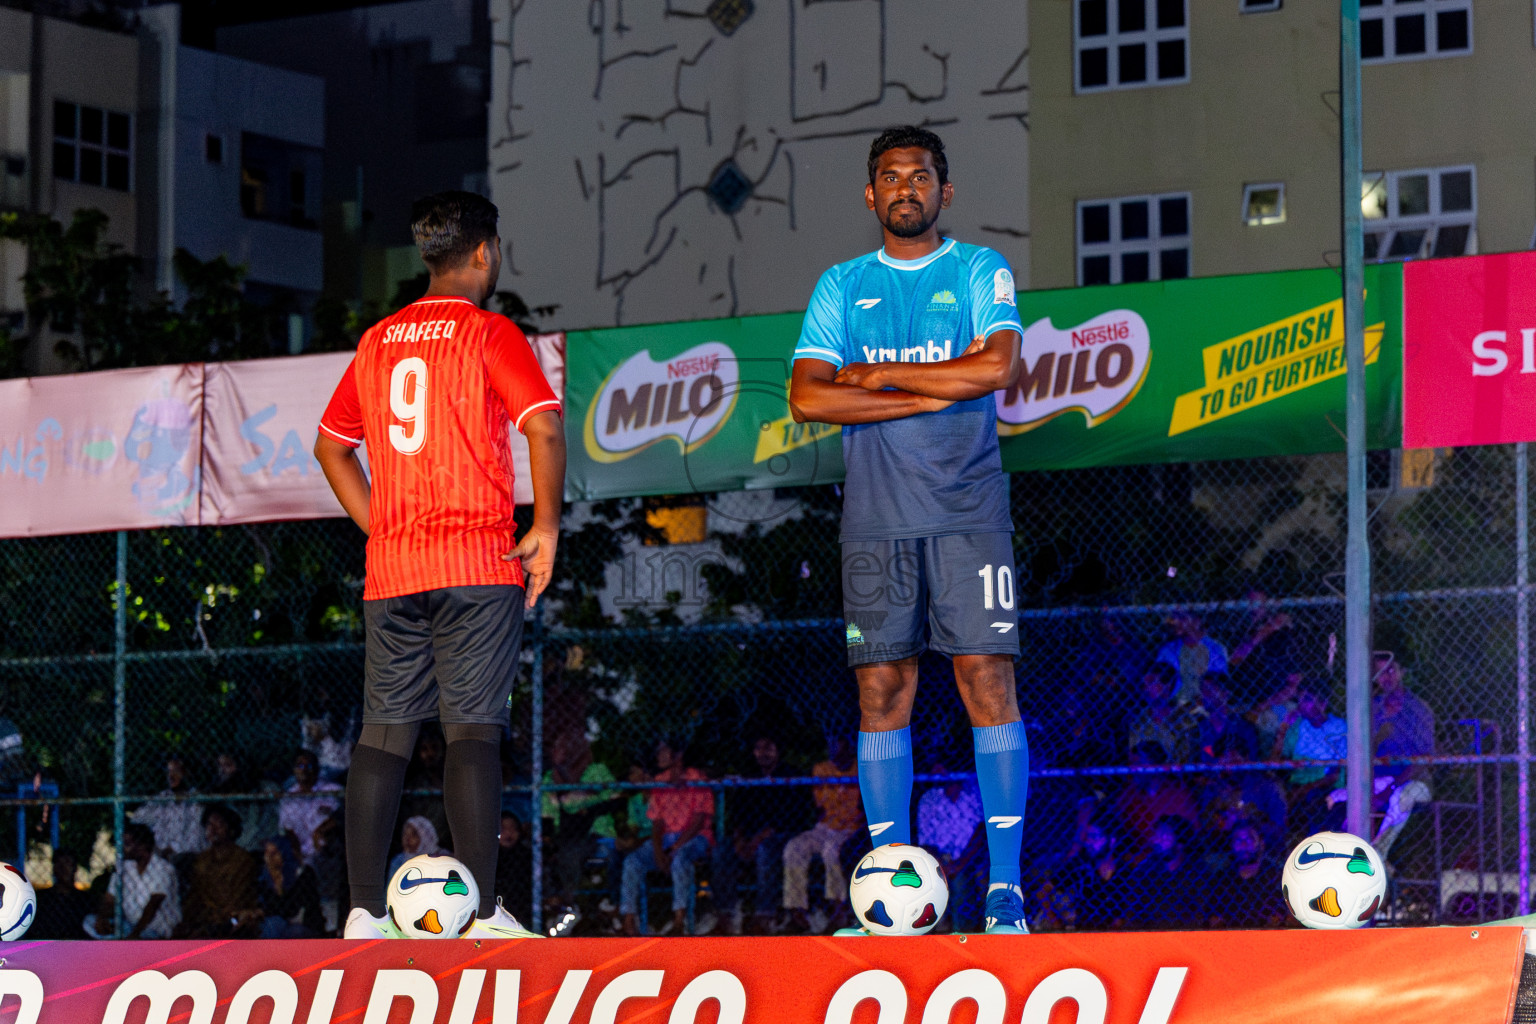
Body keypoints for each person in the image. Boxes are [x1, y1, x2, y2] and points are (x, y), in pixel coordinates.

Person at [787, 125, 1030, 934]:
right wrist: (931, 391)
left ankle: (1004, 892)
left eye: (920, 176)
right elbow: (810, 396)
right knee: (882, 692)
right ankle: (886, 890)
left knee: (986, 683)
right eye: (889, 177)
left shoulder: (978, 270)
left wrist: (883, 373)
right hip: (875, 524)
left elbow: (995, 368)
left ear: (944, 191)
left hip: (968, 515)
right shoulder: (841, 285)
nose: (904, 188)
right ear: (870, 194)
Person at [315, 190, 565, 941]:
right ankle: (483, 913)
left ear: (429, 255)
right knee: (472, 735)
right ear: (485, 252)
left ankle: (361, 913)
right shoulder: (490, 334)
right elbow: (544, 429)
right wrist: (547, 527)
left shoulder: (378, 341)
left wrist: (381, 524)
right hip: (476, 561)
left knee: (383, 737)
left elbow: (332, 447)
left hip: (393, 570)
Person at [709, 734, 811, 934]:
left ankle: (765, 915)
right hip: (749, 837)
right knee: (721, 850)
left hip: (782, 835)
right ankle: (726, 915)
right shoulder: (749, 776)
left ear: (777, 750)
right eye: (758, 748)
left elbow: (792, 817)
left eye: (768, 747)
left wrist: (759, 838)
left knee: (766, 850)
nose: (763, 753)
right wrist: (739, 839)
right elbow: (737, 815)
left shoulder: (790, 774)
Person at [620, 740, 713, 936]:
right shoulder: (660, 780)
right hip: (667, 839)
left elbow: (697, 821)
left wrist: (674, 848)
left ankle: (680, 920)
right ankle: (628, 921)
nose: (659, 756)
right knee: (632, 861)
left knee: (680, 859)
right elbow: (657, 821)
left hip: (694, 837)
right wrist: (658, 851)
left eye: (664, 752)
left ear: (677, 756)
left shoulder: (696, 778)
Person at [782, 736, 862, 934]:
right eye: (833, 749)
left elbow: (861, 810)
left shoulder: (862, 769)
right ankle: (797, 911)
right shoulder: (821, 769)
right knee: (794, 847)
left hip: (851, 829)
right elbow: (820, 808)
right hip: (824, 827)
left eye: (842, 749)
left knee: (831, 850)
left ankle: (838, 909)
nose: (837, 754)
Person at [915, 761, 985, 931]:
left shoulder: (975, 793)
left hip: (972, 857)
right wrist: (942, 865)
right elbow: (926, 842)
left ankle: (961, 934)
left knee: (960, 880)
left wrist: (959, 864)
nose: (935, 771)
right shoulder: (929, 798)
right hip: (940, 858)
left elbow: (982, 835)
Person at [177, 804, 260, 938]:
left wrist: (218, 916)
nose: (213, 829)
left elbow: (238, 899)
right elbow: (195, 896)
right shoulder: (202, 860)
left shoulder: (243, 860)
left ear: (231, 830)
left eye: (219, 824)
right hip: (206, 919)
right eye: (209, 824)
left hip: (234, 919)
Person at [1207, 822, 1285, 929]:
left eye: (1249, 839)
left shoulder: (1276, 876)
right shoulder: (1222, 880)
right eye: (1238, 841)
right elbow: (1214, 919)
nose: (1243, 845)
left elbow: (1282, 917)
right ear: (1231, 845)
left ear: (1261, 844)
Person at [131, 755, 206, 863]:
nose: (171, 776)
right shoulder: (162, 798)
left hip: (187, 859)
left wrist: (172, 849)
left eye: (176, 771)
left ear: (187, 773)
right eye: (169, 772)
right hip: (160, 858)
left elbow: (195, 839)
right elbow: (137, 819)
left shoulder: (197, 801)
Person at [279, 749, 343, 864]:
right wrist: (298, 854)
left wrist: (321, 830)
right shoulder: (288, 797)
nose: (304, 770)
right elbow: (288, 830)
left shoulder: (333, 790)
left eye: (308, 765)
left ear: (317, 769)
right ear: (294, 770)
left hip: (327, 848)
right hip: (301, 853)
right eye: (299, 765)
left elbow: (342, 816)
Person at [257, 835, 326, 938]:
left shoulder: (304, 874)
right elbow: (268, 907)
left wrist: (279, 888)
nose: (269, 858)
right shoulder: (265, 879)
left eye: (274, 853)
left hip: (303, 925)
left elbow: (291, 909)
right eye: (267, 853)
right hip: (278, 924)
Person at [120, 823, 181, 939]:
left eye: (127, 844)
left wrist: (135, 933)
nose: (122, 848)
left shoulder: (163, 868)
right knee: (89, 921)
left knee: (140, 937)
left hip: (154, 930)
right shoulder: (125, 866)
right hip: (130, 925)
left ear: (142, 846)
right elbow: (109, 898)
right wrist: (101, 918)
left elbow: (153, 905)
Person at [1125, 663, 1193, 764]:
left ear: (1167, 685)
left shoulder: (1185, 719)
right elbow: (1132, 757)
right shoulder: (1136, 720)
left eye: (1151, 681)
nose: (1145, 687)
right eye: (1144, 682)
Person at [1154, 613, 1228, 704]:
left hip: (1203, 702)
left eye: (1182, 618)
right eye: (1174, 618)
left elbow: (1214, 683)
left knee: (1210, 690)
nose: (1175, 622)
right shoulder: (1168, 649)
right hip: (1173, 702)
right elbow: (1161, 681)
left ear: (1197, 621)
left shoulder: (1215, 648)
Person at [494, 812, 534, 927]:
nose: (509, 833)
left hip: (522, 910)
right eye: (503, 828)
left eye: (513, 828)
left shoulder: (526, 856)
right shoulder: (490, 858)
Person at [387, 815, 446, 879]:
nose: (407, 839)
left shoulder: (443, 858)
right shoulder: (398, 861)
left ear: (425, 836)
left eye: (413, 834)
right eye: (405, 834)